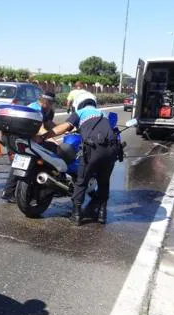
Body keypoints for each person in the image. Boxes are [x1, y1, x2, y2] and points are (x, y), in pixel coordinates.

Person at [35, 92, 118, 225]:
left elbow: (64, 127)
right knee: (104, 182)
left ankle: (76, 215)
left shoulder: (81, 112)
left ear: (79, 104)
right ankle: (102, 215)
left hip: (93, 149)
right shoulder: (104, 114)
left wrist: (44, 136)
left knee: (81, 181)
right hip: (111, 149)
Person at [1, 91, 57, 203]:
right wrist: (53, 141)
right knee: (22, 163)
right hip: (17, 138)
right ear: (46, 101)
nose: (51, 106)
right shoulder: (36, 109)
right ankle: (12, 192)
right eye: (51, 103)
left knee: (22, 163)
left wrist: (67, 129)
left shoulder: (40, 108)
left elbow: (49, 124)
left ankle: (12, 192)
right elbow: (41, 129)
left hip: (17, 138)